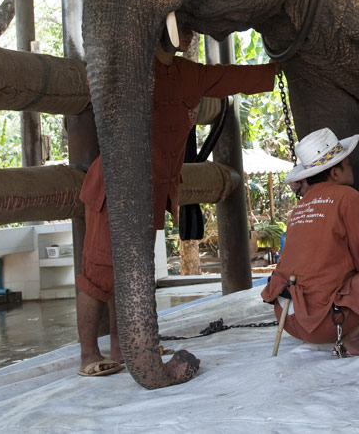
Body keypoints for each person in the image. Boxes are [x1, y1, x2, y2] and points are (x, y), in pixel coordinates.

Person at [76, 26, 278, 377]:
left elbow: (235, 78)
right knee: (99, 274)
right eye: (181, 27)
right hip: (116, 189)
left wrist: (285, 66)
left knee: (130, 273)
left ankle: (123, 346)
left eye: (189, 28)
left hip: (154, 192)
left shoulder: (188, 73)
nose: (189, 35)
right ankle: (88, 354)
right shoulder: (132, 69)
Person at [261, 127, 359, 356]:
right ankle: (355, 338)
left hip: (288, 320)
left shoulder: (300, 206)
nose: (352, 167)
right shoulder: (348, 196)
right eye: (348, 164)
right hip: (322, 323)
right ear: (335, 173)